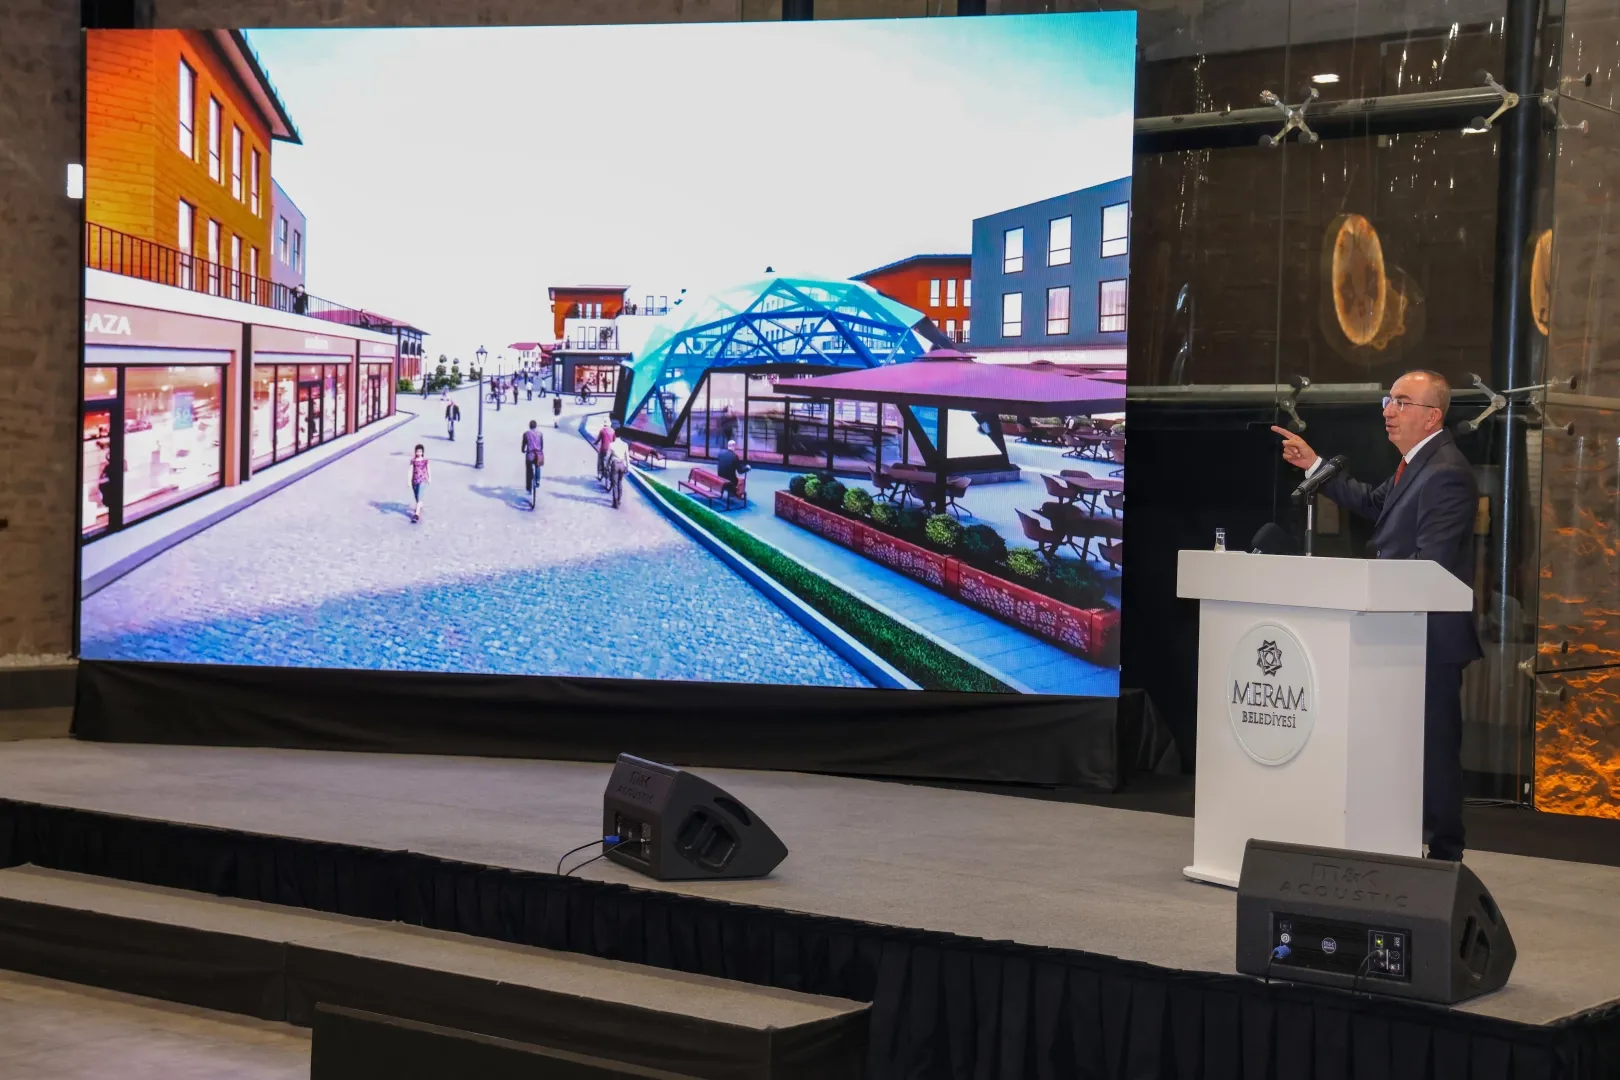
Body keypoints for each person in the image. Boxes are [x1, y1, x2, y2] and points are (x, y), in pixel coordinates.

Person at [1273, 369, 1480, 862]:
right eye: (1389, 399)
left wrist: (1371, 582)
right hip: (1399, 632)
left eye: (1402, 402)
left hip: (1427, 638)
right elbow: (1370, 502)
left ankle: (1445, 856)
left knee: (1432, 748)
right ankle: (1401, 841)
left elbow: (1430, 565)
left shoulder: (1445, 471)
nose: (1389, 410)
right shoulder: (1416, 464)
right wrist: (1314, 465)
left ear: (1432, 416)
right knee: (1400, 747)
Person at [521, 419, 545, 496]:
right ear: (536, 426)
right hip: (538, 454)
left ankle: (529, 487)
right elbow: (542, 445)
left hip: (530, 455)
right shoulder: (540, 434)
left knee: (528, 470)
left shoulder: (526, 434)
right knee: (538, 466)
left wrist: (523, 450)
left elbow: (524, 444)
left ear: (529, 426)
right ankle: (537, 480)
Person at [409, 444, 430, 523]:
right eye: (417, 451)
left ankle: (416, 515)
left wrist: (429, 477)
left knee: (420, 496)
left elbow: (428, 469)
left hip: (422, 480)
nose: (419, 453)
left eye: (420, 451)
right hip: (414, 480)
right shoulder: (413, 461)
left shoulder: (425, 461)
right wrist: (409, 481)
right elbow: (410, 470)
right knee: (417, 496)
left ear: (422, 452)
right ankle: (419, 505)